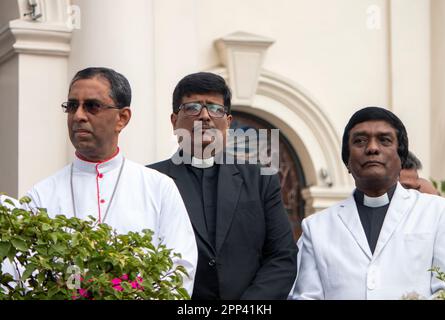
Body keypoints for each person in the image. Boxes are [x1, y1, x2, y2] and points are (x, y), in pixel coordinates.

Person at [25, 67, 197, 295]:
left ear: (122, 118)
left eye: (92, 106)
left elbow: (179, 269)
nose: (78, 116)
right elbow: (24, 273)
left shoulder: (159, 188)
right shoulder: (41, 195)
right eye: (72, 106)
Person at [148, 72, 298, 300]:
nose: (205, 116)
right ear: (174, 120)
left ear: (228, 122)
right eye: (192, 107)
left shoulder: (260, 179)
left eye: (215, 109)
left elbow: (282, 256)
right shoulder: (150, 180)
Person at [296, 106, 445, 300]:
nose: (372, 148)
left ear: (401, 158)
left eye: (384, 140)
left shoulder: (439, 213)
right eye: (360, 141)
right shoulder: (316, 227)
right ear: (347, 161)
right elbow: (306, 297)